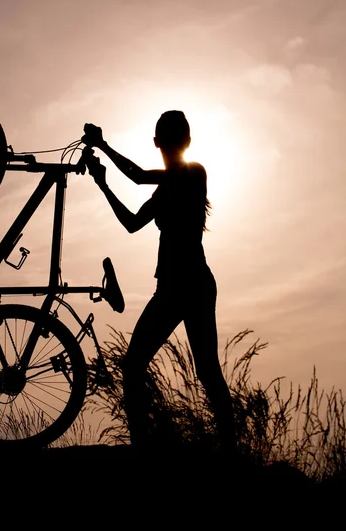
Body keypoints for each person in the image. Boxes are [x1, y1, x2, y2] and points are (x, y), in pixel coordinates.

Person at [82, 111, 236, 454]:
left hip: (190, 283)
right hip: (173, 286)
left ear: (177, 143)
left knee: (204, 371)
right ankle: (148, 445)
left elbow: (137, 177)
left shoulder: (194, 173)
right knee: (141, 365)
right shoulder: (167, 186)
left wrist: (103, 146)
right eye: (167, 140)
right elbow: (133, 224)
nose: (168, 145)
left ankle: (228, 451)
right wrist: (103, 185)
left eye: (170, 139)